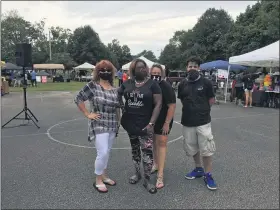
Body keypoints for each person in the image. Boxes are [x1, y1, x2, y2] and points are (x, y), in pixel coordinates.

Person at [74, 60, 120, 193]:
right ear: (97, 72)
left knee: (107, 152)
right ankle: (98, 180)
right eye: (102, 70)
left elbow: (118, 107)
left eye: (108, 70)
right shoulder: (92, 86)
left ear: (112, 72)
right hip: (99, 123)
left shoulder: (114, 88)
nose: (105, 72)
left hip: (112, 123)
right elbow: (78, 98)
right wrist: (87, 114)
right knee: (103, 151)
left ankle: (104, 176)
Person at [118, 58, 162, 194]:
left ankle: (147, 180)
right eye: (139, 68)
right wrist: (123, 109)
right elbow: (118, 95)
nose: (143, 69)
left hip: (146, 125)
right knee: (135, 151)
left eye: (144, 67)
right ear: (133, 70)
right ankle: (137, 174)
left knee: (147, 154)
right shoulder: (127, 84)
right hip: (131, 124)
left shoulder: (152, 84)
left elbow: (158, 104)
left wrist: (151, 123)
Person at [177, 56, 217, 191]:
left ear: (199, 68)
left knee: (206, 149)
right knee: (192, 148)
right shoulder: (182, 84)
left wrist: (203, 110)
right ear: (186, 68)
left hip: (203, 121)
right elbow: (182, 100)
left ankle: (208, 174)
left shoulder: (206, 83)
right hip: (188, 122)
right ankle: (198, 169)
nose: (192, 68)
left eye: (195, 66)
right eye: (190, 66)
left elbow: (211, 100)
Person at [150, 64, 176, 189]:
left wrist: (167, 123)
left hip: (164, 120)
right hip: (152, 120)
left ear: (162, 74)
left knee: (162, 143)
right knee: (154, 143)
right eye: (153, 72)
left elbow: (172, 105)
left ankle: (160, 175)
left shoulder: (165, 86)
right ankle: (155, 164)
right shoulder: (149, 84)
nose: (155, 75)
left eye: (158, 73)